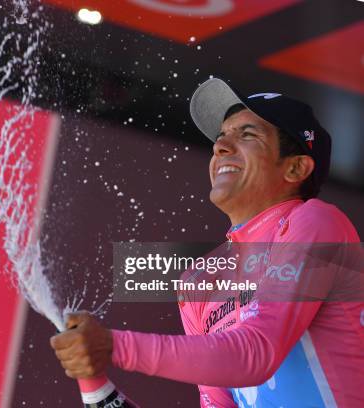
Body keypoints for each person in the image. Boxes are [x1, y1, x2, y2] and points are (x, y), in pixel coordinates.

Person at [50, 78, 363, 407]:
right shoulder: (200, 280)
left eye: (247, 134)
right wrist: (92, 376)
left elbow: (256, 354)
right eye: (221, 136)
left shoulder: (317, 221)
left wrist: (114, 347)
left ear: (296, 167)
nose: (221, 147)